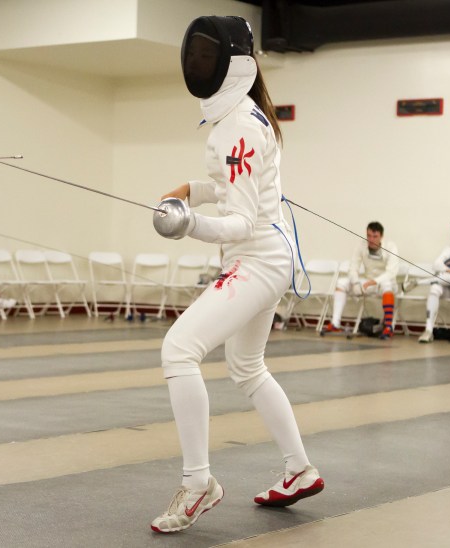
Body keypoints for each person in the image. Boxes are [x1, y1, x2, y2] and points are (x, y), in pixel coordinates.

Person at [149, 16, 323, 535]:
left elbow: (242, 220)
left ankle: (198, 482)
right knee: (247, 366)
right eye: (195, 55)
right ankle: (299, 469)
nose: (197, 64)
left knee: (178, 350)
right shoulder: (241, 117)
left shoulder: (240, 126)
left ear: (233, 63)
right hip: (266, 257)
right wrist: (191, 190)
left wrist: (188, 224)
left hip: (256, 260)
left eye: (207, 56)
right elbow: (230, 187)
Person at [321, 222, 400, 339]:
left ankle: (388, 326)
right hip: (367, 283)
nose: (371, 239)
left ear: (381, 236)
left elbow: (391, 272)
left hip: (385, 284)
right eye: (369, 236)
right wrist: (356, 282)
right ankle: (335, 323)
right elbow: (353, 267)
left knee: (387, 284)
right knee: (342, 282)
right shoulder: (361, 245)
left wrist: (374, 282)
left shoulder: (391, 246)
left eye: (375, 236)